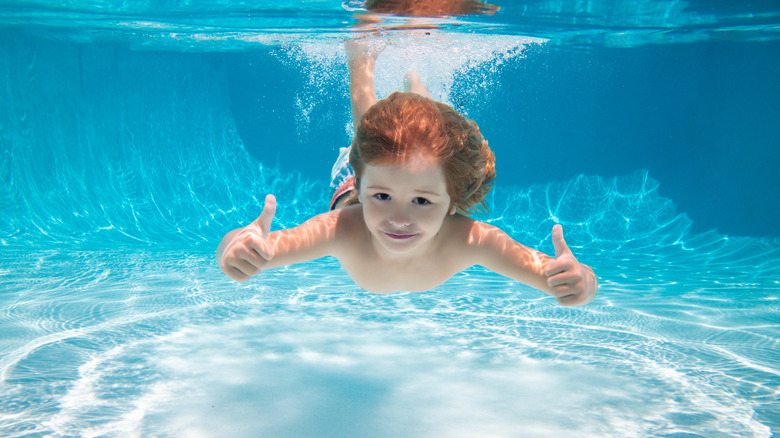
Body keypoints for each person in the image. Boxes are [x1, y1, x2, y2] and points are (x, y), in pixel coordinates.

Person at [216, 38, 598, 306]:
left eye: (421, 201)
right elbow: (263, 248)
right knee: (370, 132)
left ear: (453, 202)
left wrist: (579, 281)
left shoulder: (472, 239)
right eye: (381, 197)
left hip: (378, 177)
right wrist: (236, 249)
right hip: (350, 188)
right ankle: (362, 62)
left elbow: (562, 276)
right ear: (364, 188)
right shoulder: (342, 230)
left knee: (422, 140)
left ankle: (411, 85)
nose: (399, 218)